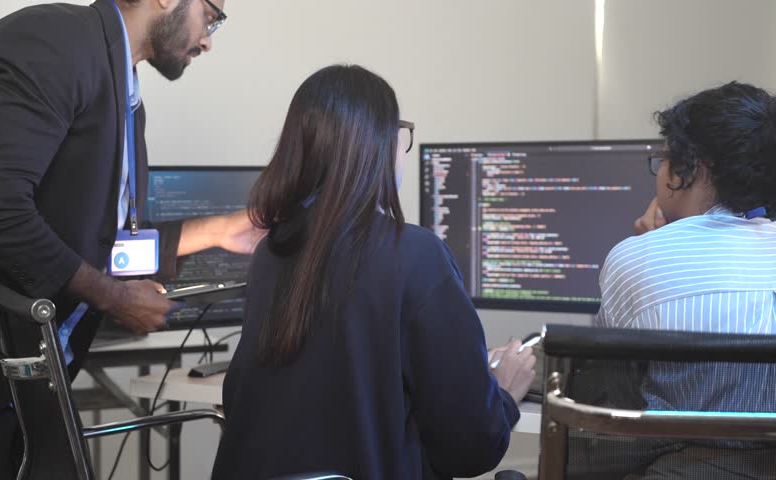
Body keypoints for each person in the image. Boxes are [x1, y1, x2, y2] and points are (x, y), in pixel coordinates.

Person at [210, 65, 536, 480]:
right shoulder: (418, 257)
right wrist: (504, 392)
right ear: (378, 146)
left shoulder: (271, 254)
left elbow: (245, 399)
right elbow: (470, 448)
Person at [0, 0, 265, 477]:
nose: (207, 39)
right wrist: (113, 298)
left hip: (28, 383)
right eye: (211, 14)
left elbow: (96, 244)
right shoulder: (58, 42)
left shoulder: (125, 93)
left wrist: (215, 231)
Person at [597, 82, 776, 478]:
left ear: (696, 167)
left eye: (665, 160)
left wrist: (647, 248)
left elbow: (613, 392)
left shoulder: (635, 257)